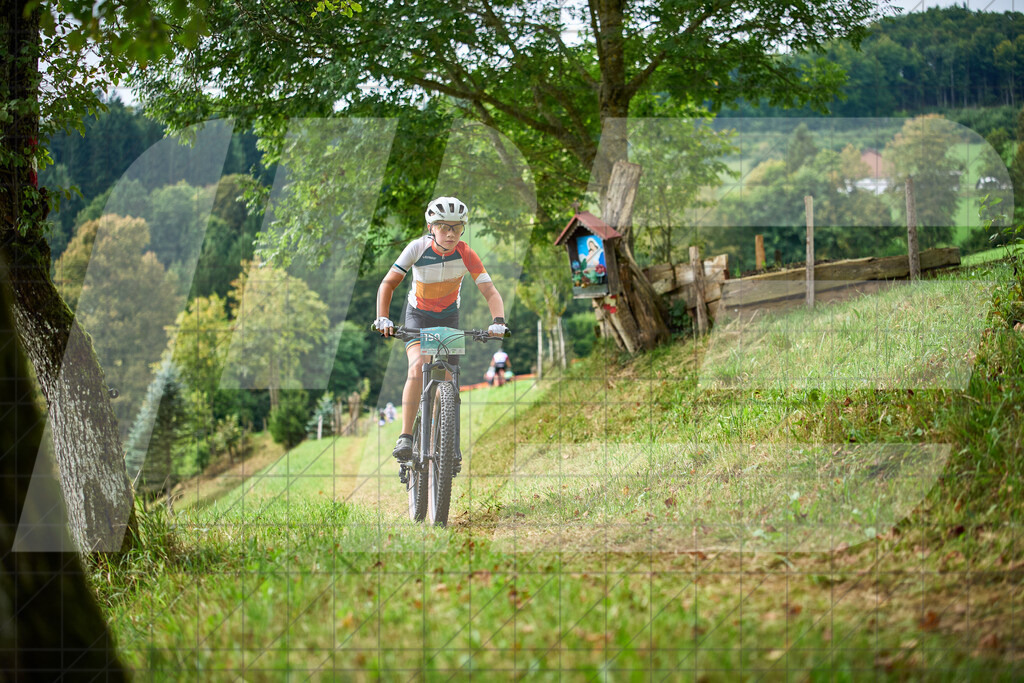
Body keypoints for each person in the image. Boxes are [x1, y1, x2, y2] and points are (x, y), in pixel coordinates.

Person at [373, 196, 508, 462]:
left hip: (448, 318)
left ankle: (444, 439)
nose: (450, 233)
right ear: (430, 227)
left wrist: (498, 321)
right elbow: (388, 283)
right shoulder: (417, 248)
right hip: (418, 316)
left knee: (449, 380)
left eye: (457, 227)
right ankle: (406, 437)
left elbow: (490, 291)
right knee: (417, 366)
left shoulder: (466, 253)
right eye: (444, 226)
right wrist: (383, 318)